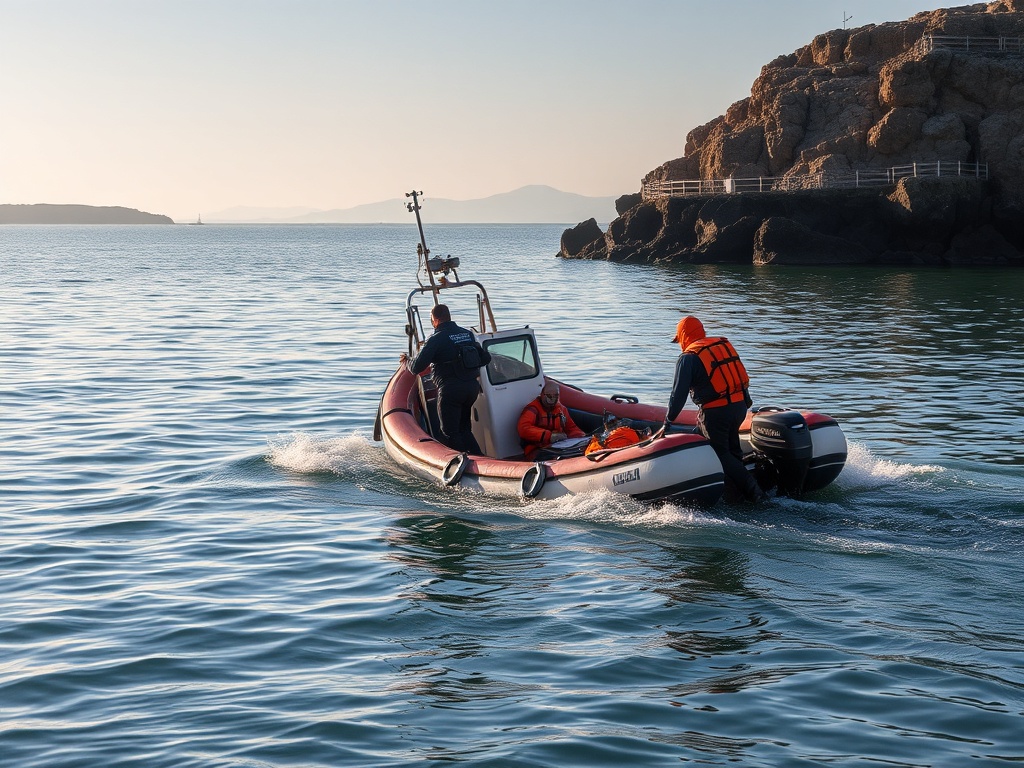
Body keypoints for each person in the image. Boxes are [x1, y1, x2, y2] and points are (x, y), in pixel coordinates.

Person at [664, 315, 765, 503]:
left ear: (683, 336)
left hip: (716, 412)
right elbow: (738, 376)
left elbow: (678, 395)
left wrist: (668, 420)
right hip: (739, 407)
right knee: (733, 450)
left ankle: (755, 492)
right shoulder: (721, 345)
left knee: (719, 452)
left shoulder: (688, 358)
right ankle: (736, 495)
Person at [399, 304, 490, 454]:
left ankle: (465, 463)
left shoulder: (436, 339)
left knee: (449, 432)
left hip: (451, 391)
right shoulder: (467, 334)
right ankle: (480, 458)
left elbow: (416, 367)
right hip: (471, 388)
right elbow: (485, 358)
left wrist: (407, 360)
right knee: (465, 429)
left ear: (435, 320)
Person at [518, 381, 585, 459]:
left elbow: (571, 428)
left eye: (555, 396)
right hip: (536, 449)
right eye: (549, 396)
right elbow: (523, 428)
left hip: (558, 446)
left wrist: (582, 437)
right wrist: (549, 436)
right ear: (542, 395)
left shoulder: (561, 409)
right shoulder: (533, 409)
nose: (552, 399)